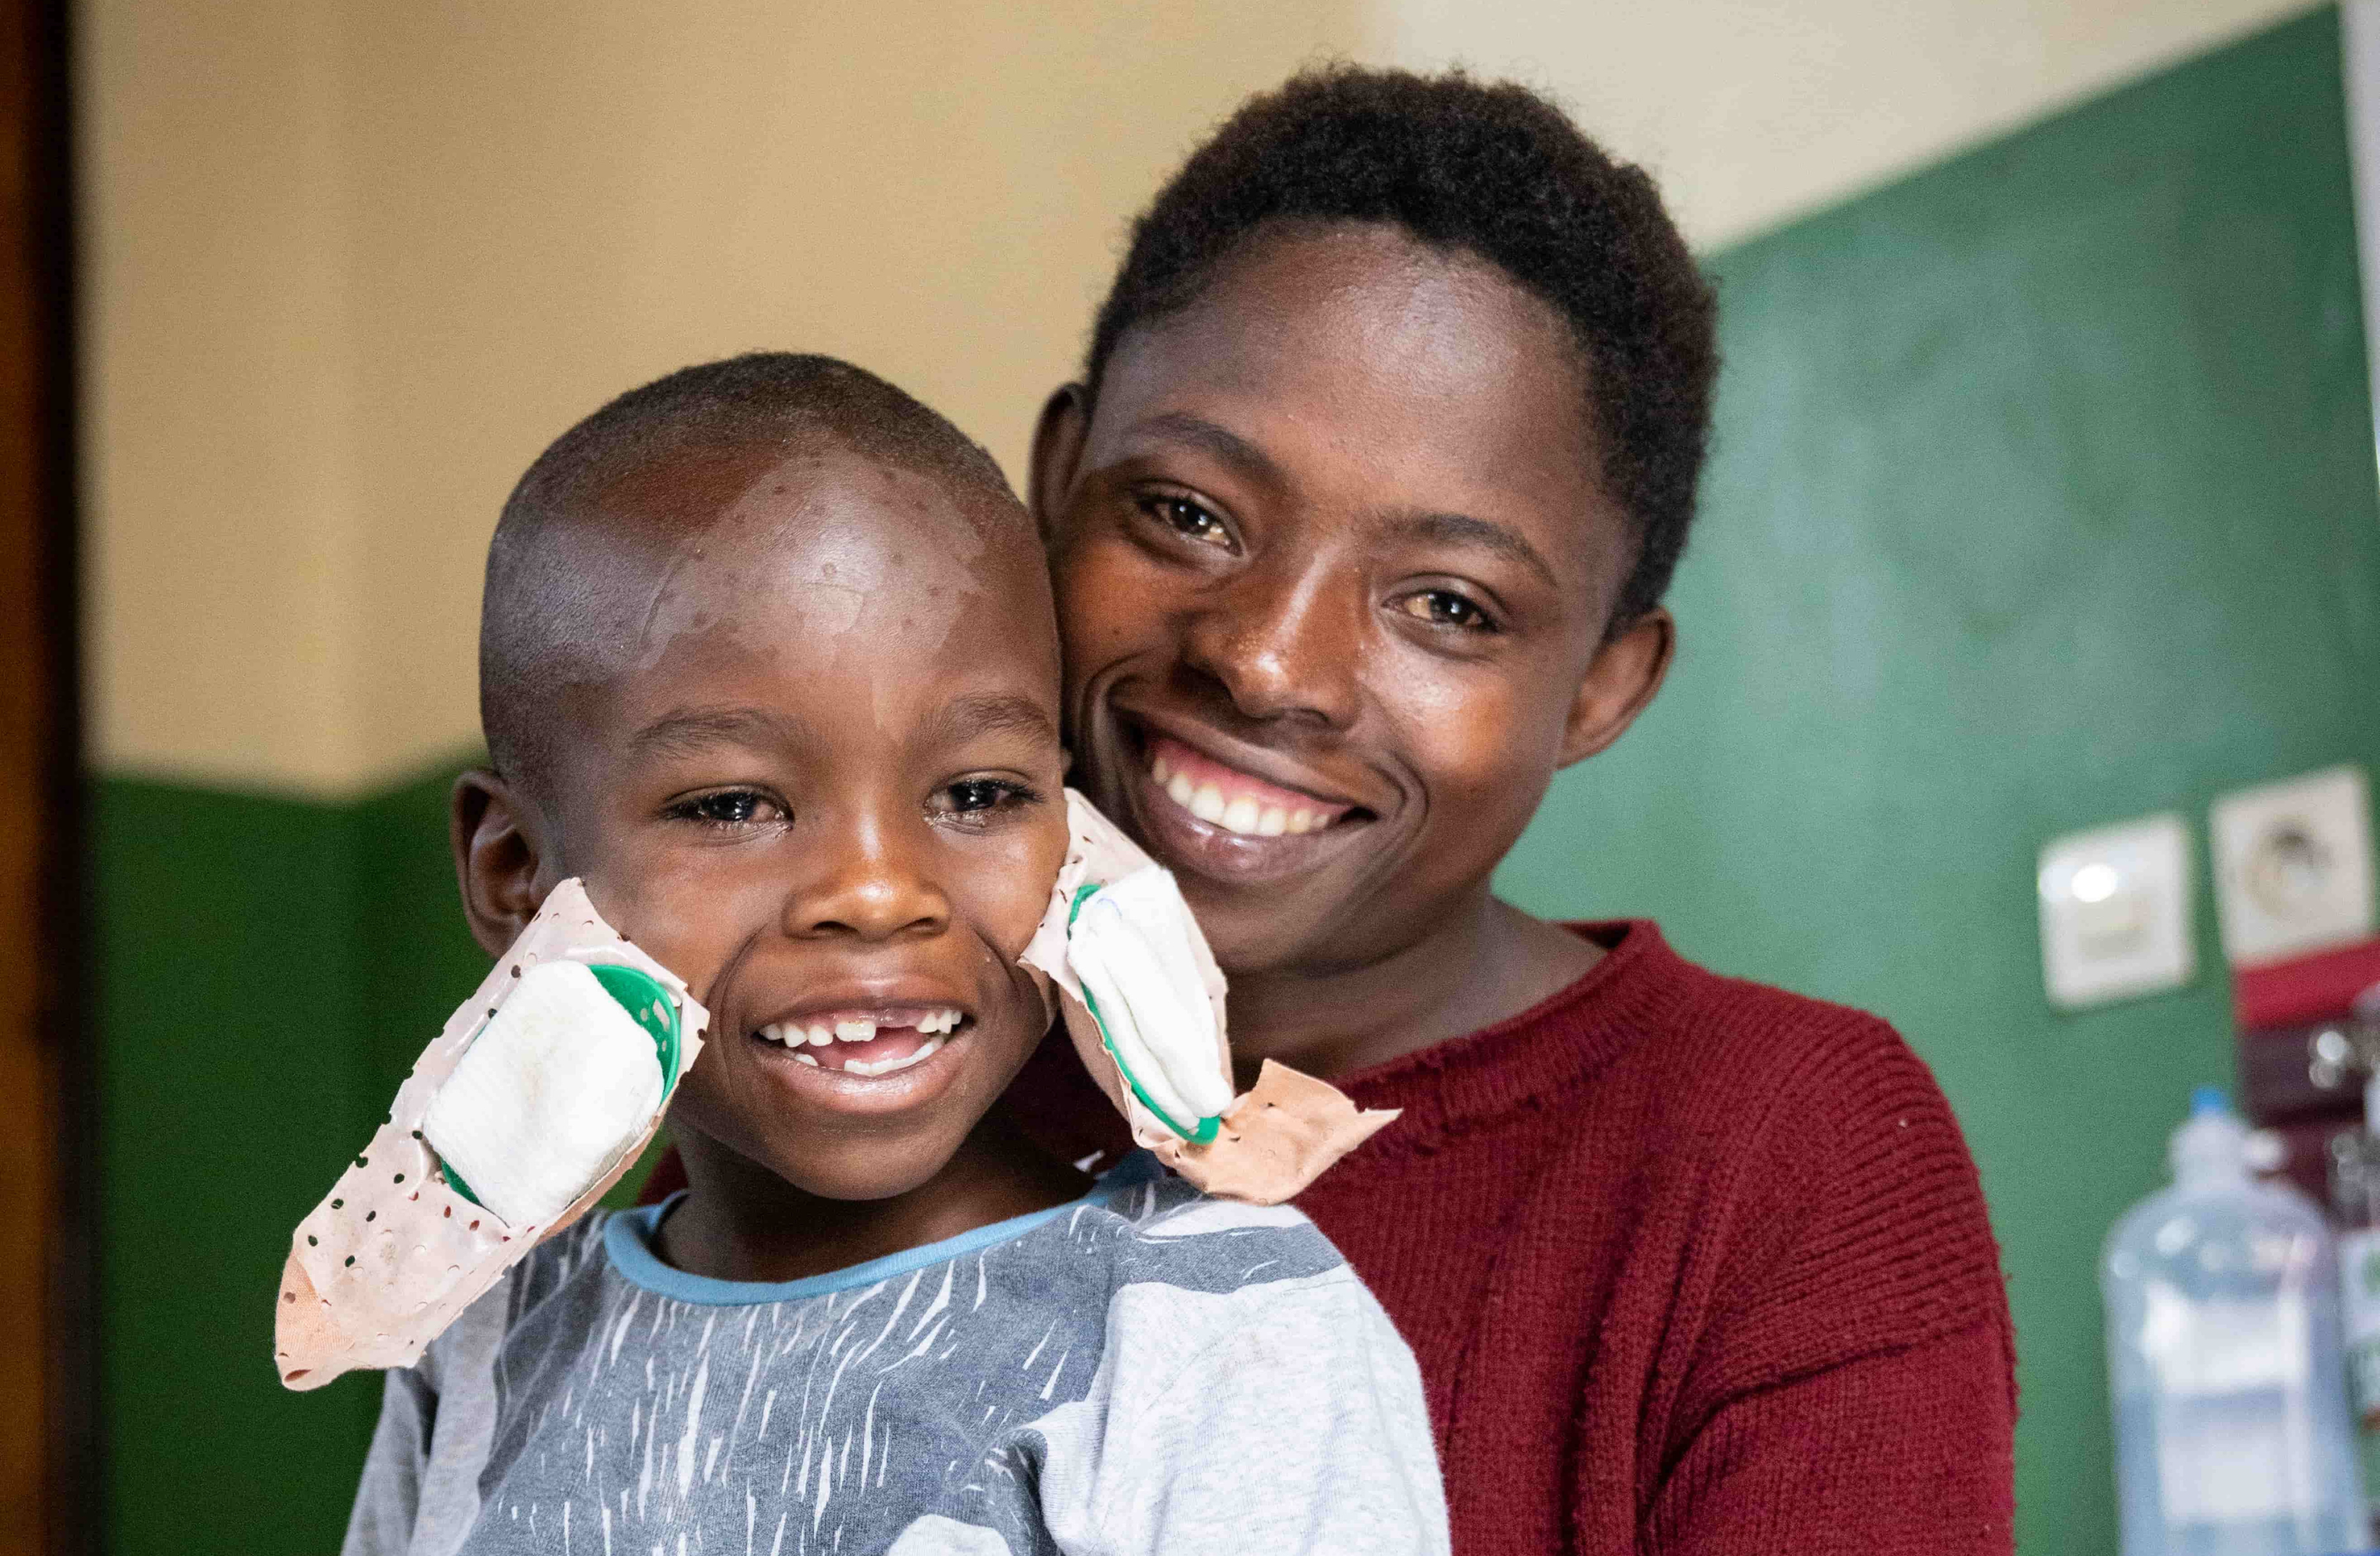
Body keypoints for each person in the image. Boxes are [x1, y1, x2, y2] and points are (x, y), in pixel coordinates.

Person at [1011, 67, 2019, 1552]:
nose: (1268, 659)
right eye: (1188, 513)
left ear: (1605, 685)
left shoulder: (1784, 1156)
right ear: (1058, 477)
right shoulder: (829, 1064)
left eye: (1446, 604)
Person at [343, 353, 1449, 1555]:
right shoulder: (491, 1333)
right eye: (730, 806)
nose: (878, 894)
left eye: (978, 793)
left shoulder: (1219, 1331)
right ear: (514, 875)